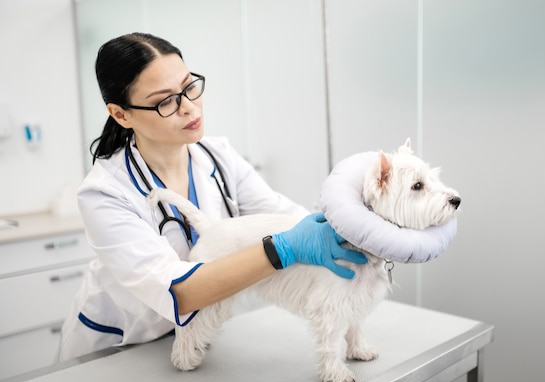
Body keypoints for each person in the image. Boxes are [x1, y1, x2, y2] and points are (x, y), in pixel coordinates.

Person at [57, 33, 367, 361]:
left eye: (190, 87)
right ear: (121, 114)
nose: (189, 107)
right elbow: (178, 289)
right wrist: (281, 249)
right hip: (123, 344)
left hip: (198, 335)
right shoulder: (104, 192)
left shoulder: (218, 155)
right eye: (165, 101)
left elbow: (285, 215)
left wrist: (356, 229)